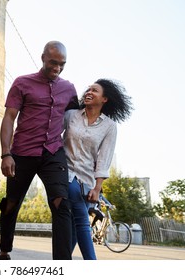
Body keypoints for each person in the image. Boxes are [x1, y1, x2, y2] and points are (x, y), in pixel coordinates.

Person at [0, 41, 79, 260]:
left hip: (53, 152)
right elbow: (8, 118)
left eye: (62, 64)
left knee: (62, 204)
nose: (57, 68)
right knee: (11, 203)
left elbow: (76, 122)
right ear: (43, 57)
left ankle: (62, 264)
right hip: (22, 152)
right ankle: (5, 249)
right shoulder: (22, 83)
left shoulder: (69, 89)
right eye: (53, 62)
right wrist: (6, 154)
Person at [63, 78, 133, 260]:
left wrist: (97, 188)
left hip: (87, 180)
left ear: (104, 99)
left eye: (94, 90)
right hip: (65, 173)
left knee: (74, 227)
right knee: (82, 219)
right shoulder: (71, 115)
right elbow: (53, 136)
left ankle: (61, 263)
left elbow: (104, 158)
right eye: (88, 89)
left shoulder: (109, 126)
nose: (89, 92)